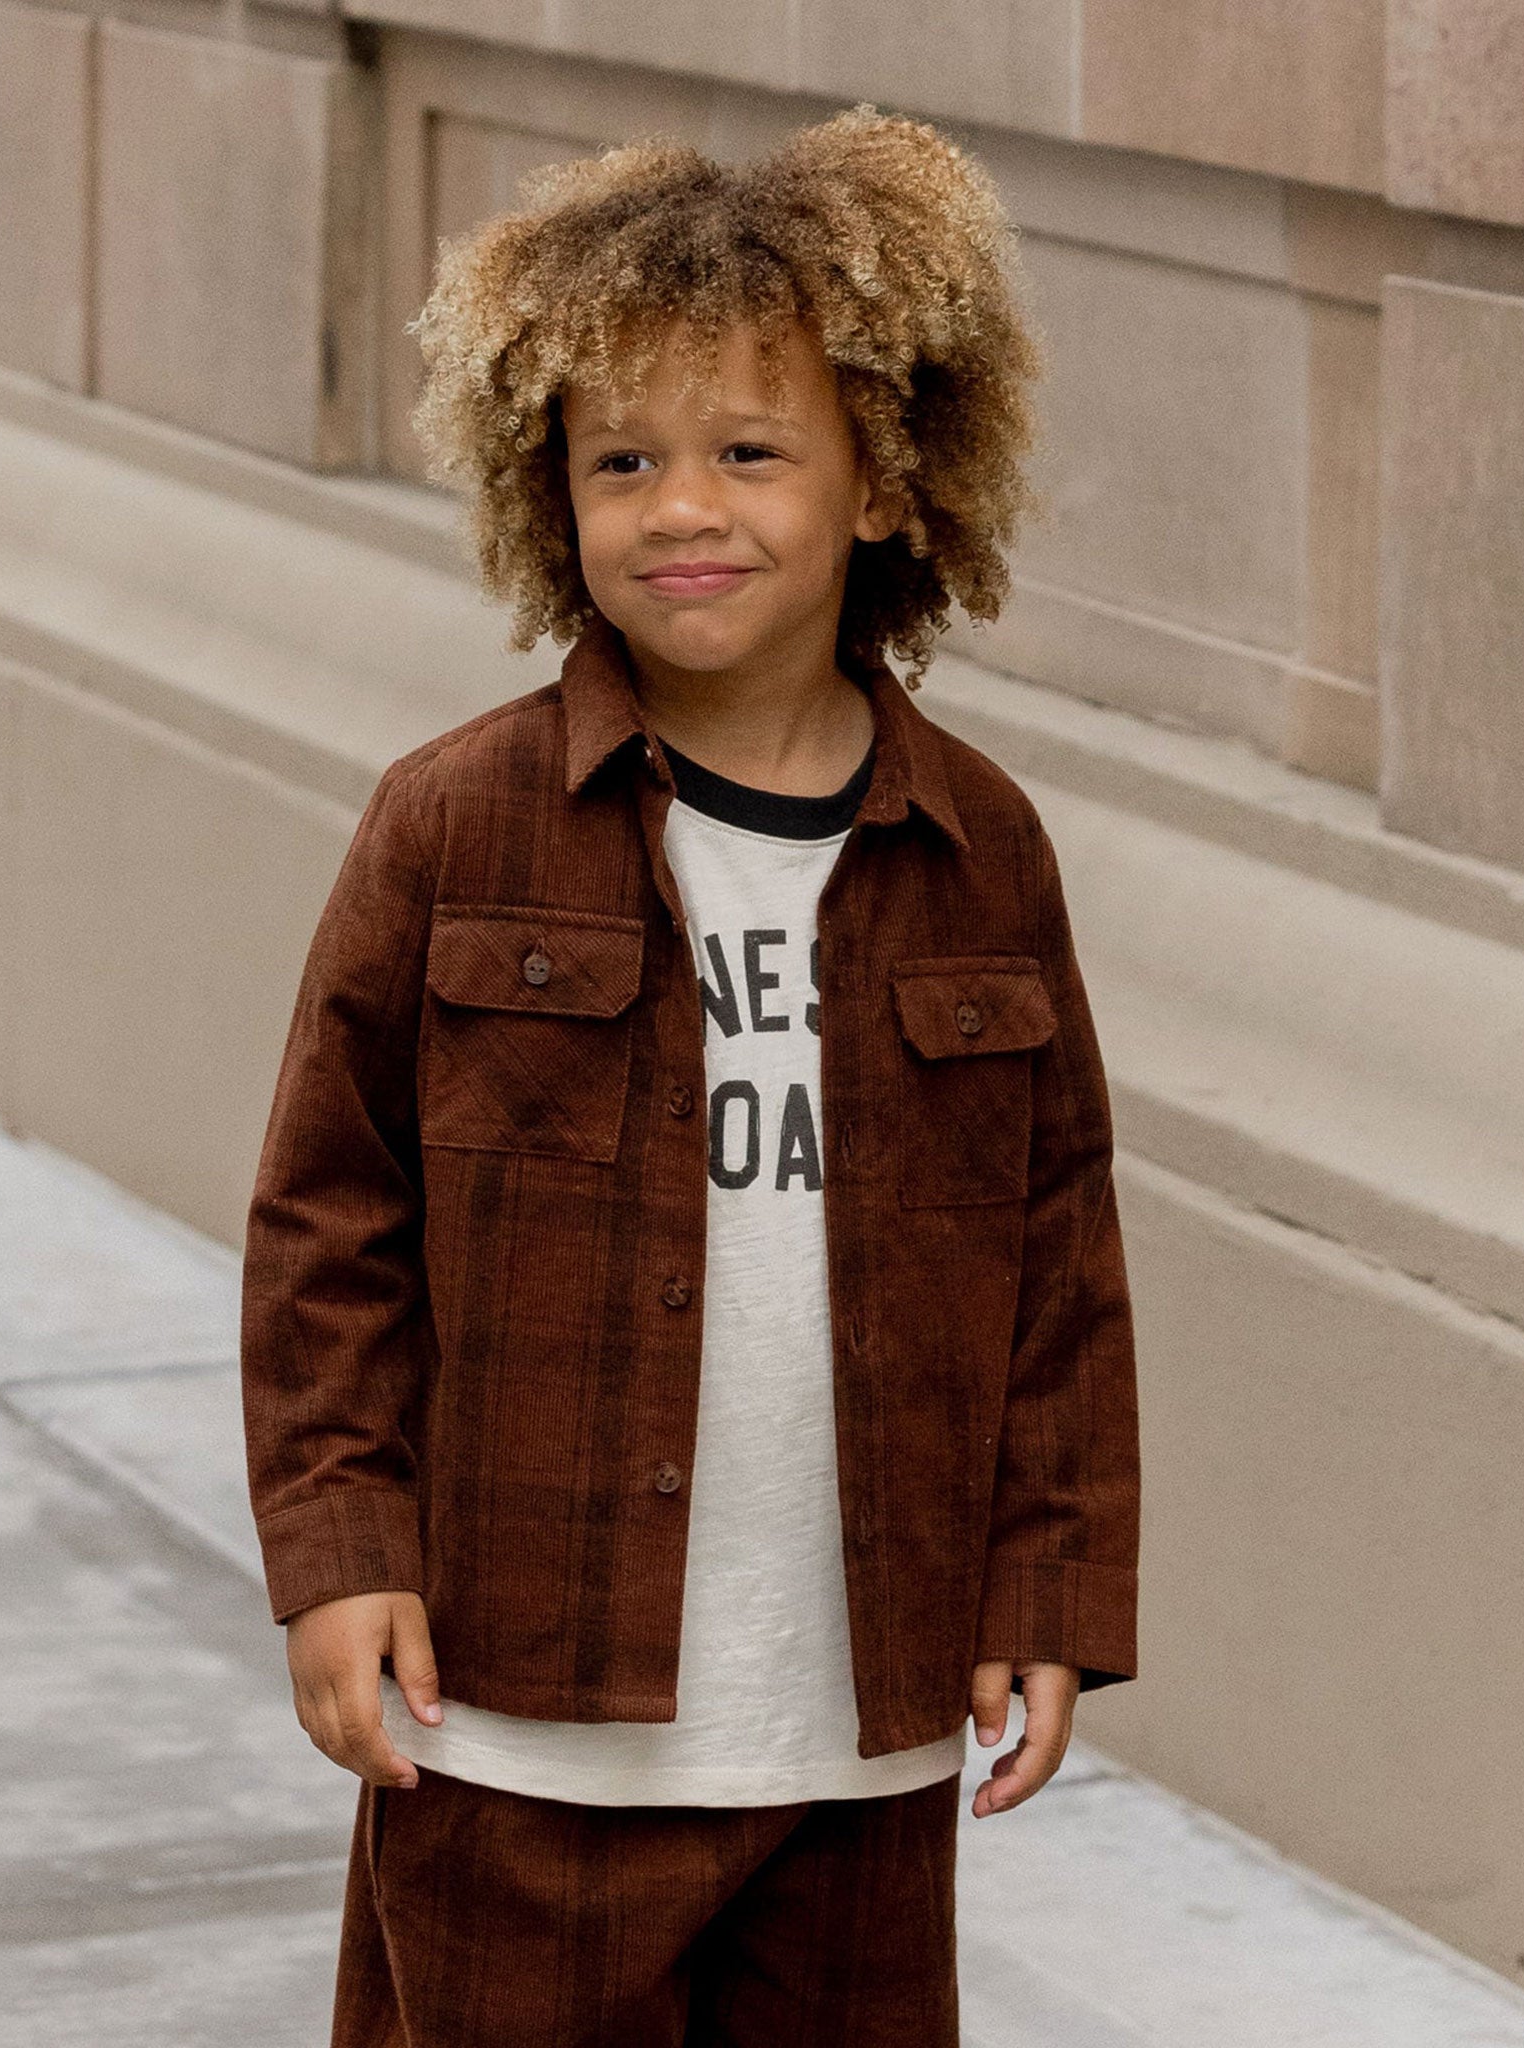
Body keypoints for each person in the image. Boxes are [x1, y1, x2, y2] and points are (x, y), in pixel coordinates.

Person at [241, 105, 1141, 2048]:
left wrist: (1046, 1582)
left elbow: (1058, 1253)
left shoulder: (979, 849)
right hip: (520, 1712)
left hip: (857, 1726)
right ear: (543, 494)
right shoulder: (453, 827)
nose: (681, 507)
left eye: (750, 451)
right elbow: (329, 1227)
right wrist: (337, 1558)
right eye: (620, 460)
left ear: (886, 484)